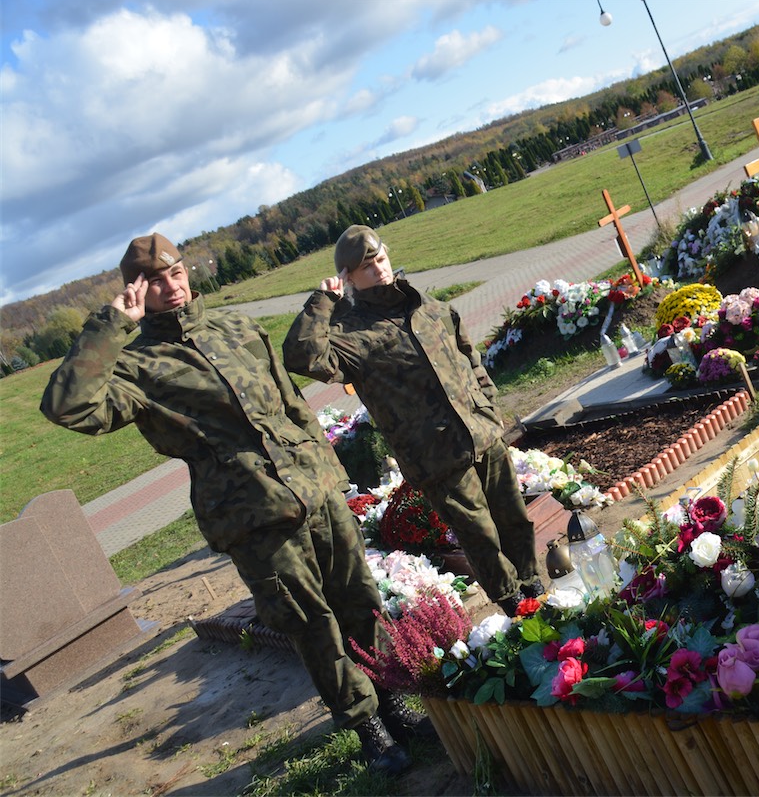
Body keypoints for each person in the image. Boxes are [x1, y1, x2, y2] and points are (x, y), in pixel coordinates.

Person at [41, 233, 416, 776]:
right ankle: (367, 726)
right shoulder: (136, 367)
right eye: (155, 283)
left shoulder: (236, 327)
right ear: (136, 291)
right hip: (251, 515)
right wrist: (111, 325)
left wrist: (330, 473)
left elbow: (291, 404)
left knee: (360, 598)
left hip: (313, 489)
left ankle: (393, 701)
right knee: (309, 622)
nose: (171, 287)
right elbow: (67, 406)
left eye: (176, 273)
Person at [284, 225, 544, 618]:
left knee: (514, 518)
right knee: (480, 535)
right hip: (435, 454)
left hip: (481, 432)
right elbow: (301, 356)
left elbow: (468, 355)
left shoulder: (425, 306)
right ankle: (516, 605)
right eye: (366, 266)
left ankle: (535, 585)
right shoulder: (348, 334)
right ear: (348, 277)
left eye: (380, 259)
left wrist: (488, 407)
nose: (379, 269)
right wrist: (323, 301)